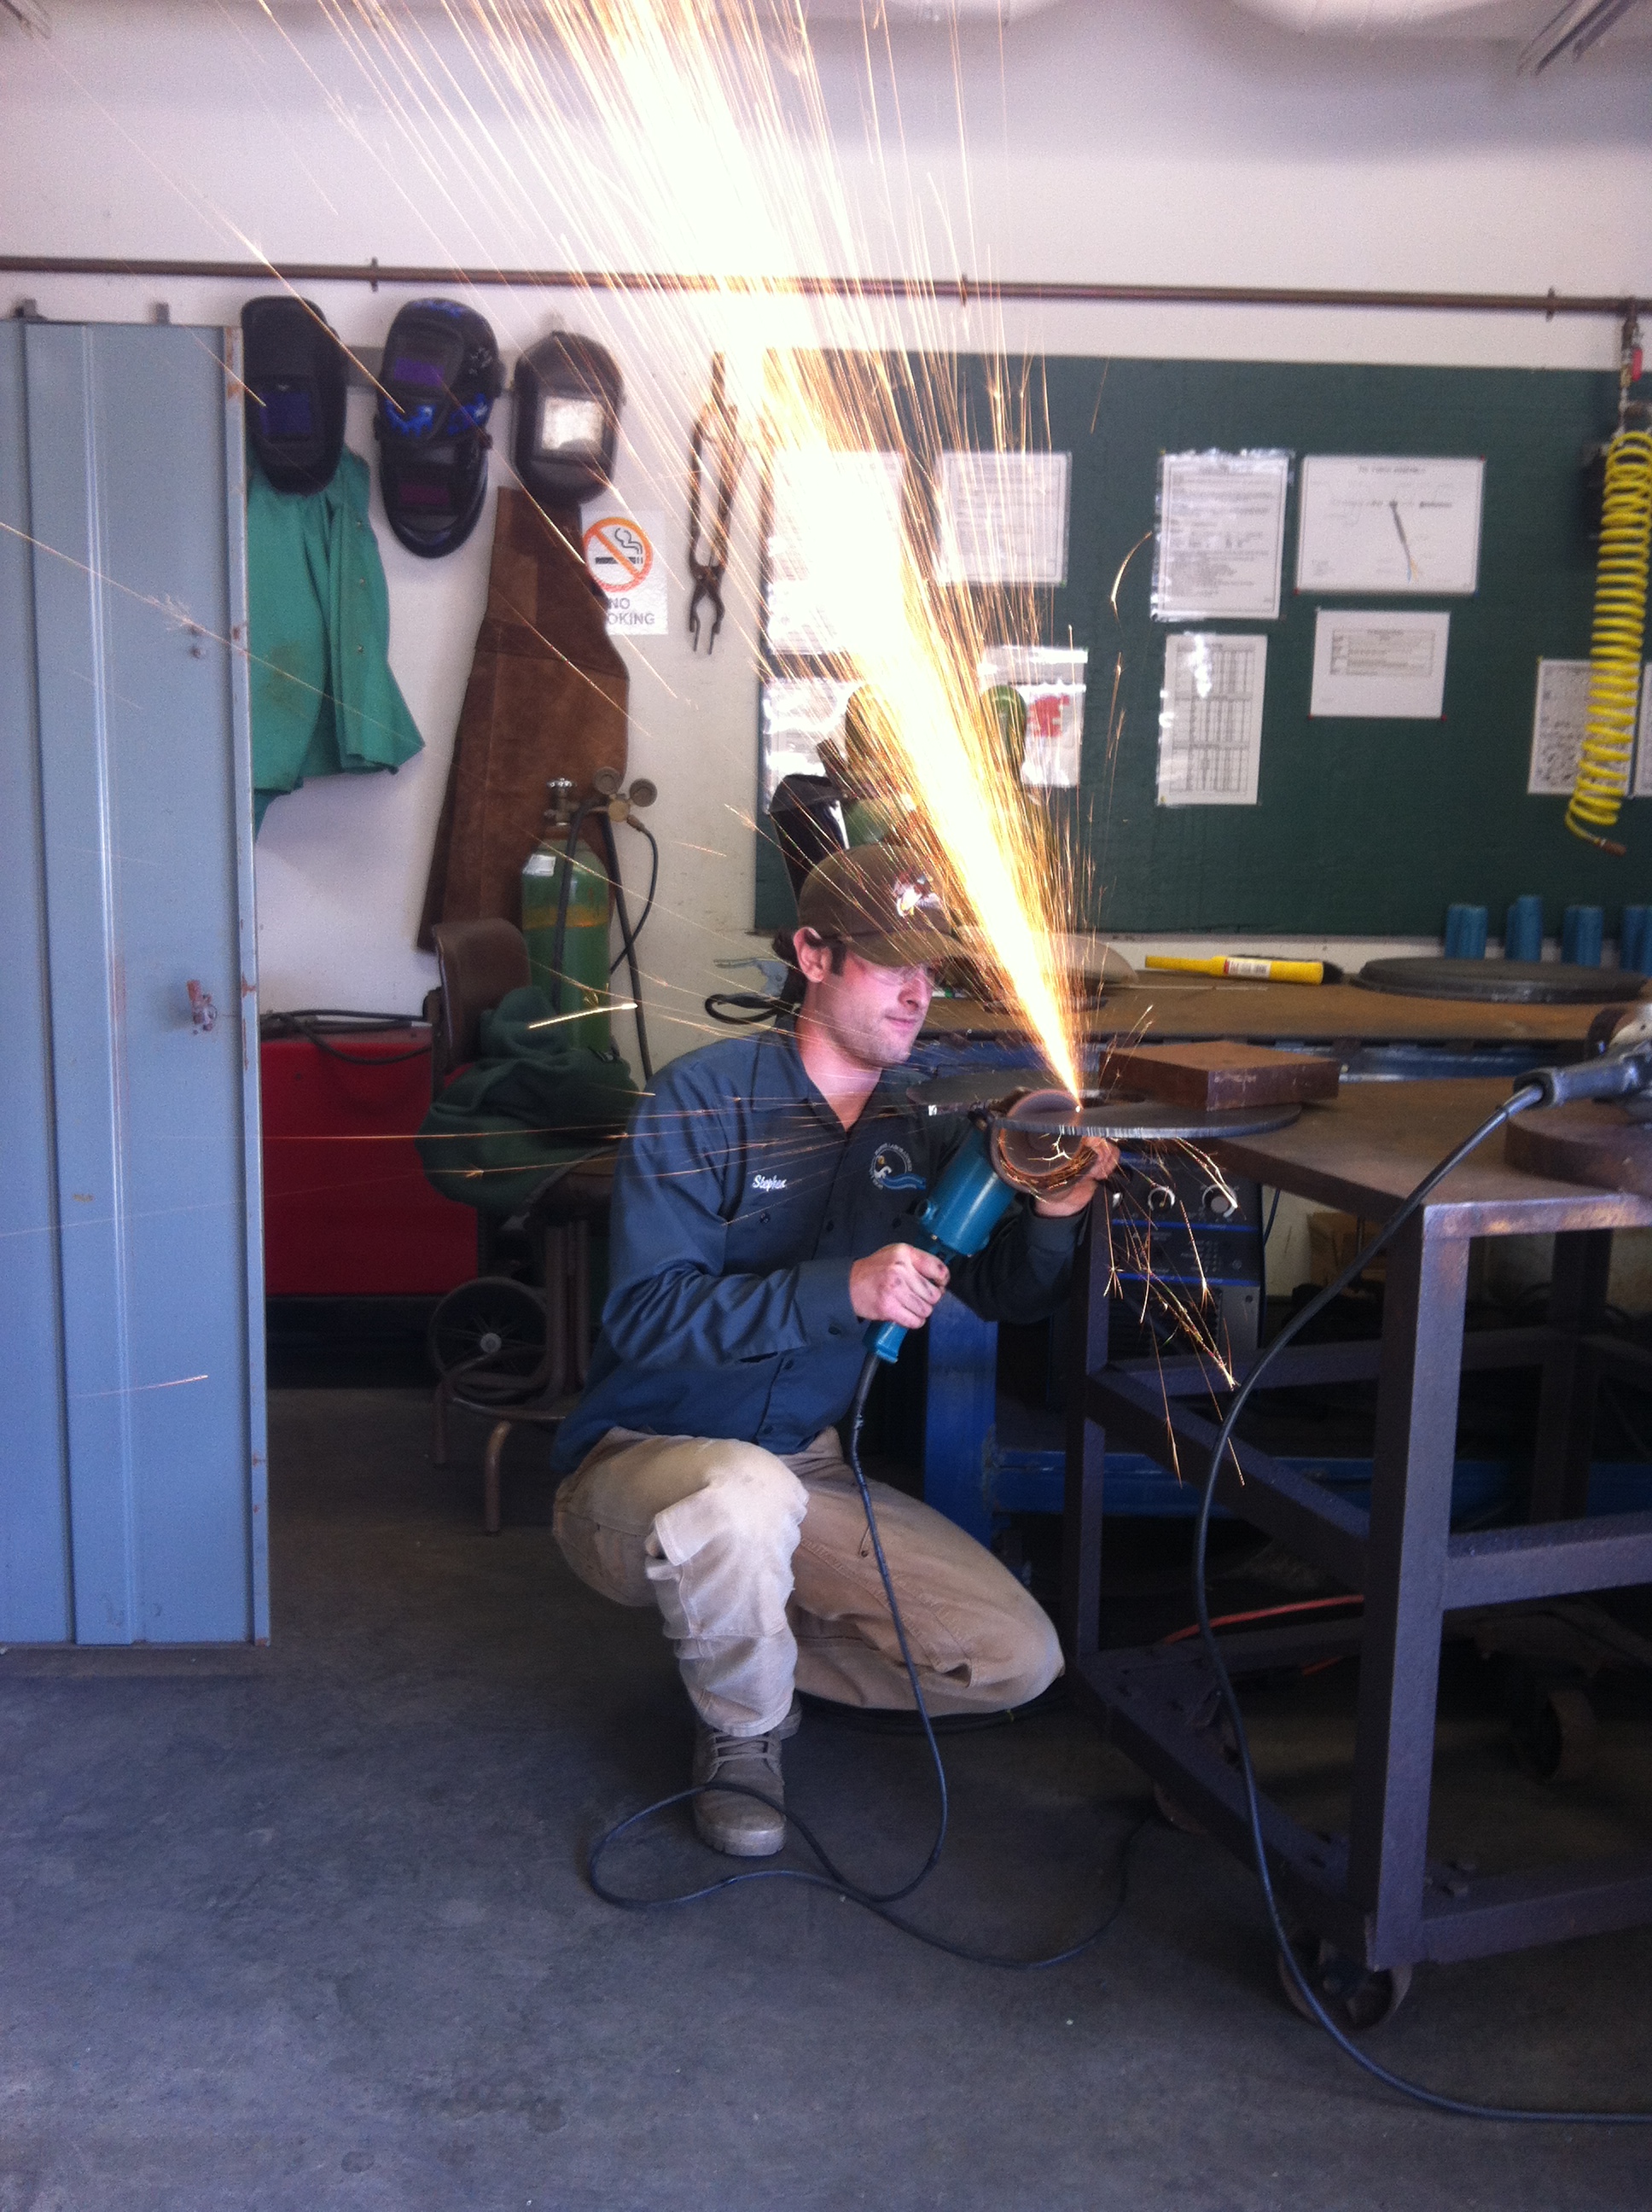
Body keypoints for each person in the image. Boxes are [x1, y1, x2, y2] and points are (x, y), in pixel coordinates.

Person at [550, 845, 1116, 1857]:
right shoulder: (701, 1103)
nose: (917, 993)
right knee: (735, 1500)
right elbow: (643, 1317)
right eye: (889, 963)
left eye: (930, 968)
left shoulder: (920, 1125)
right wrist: (840, 1289)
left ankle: (735, 1642)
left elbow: (1000, 1294)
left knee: (1014, 1658)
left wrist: (1058, 1211)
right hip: (641, 1459)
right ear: (812, 955)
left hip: (804, 1471)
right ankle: (743, 1734)